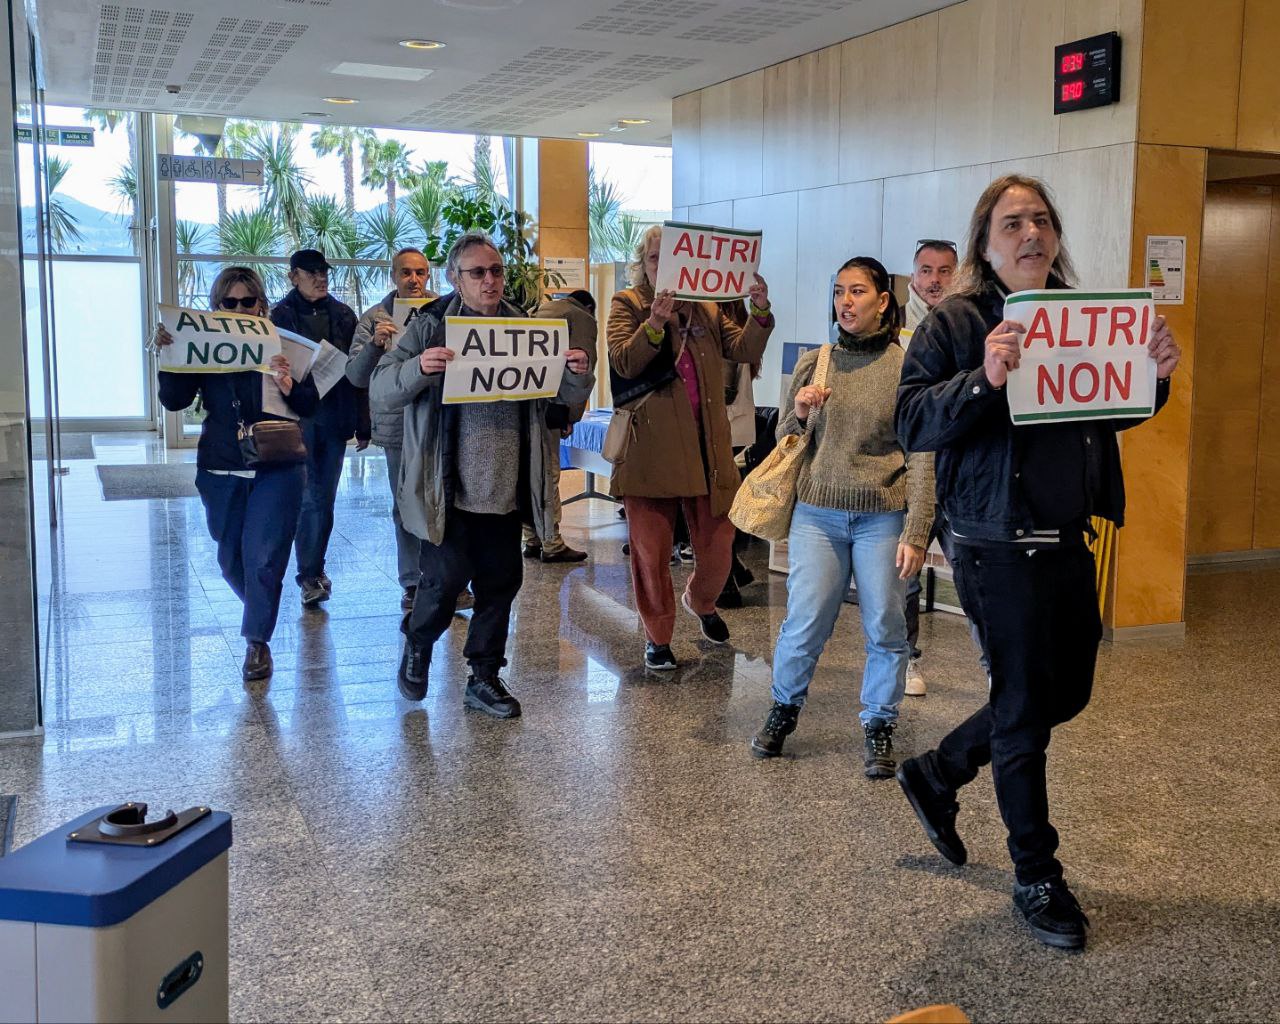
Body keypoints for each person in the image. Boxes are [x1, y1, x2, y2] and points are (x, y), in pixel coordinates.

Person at [894, 175, 1182, 951]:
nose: (1032, 234)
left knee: (1067, 692)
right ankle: (1036, 876)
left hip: (1070, 535)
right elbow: (914, 420)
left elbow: (1109, 411)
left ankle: (940, 769)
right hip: (994, 541)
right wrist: (983, 378)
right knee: (1023, 712)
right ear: (986, 242)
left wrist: (1154, 376)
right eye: (1013, 222)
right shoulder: (957, 320)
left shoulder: (1080, 317)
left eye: (1043, 221)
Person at [369, 232, 594, 718]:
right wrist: (419, 369)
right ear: (455, 278)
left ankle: (484, 676)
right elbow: (381, 389)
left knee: (501, 583)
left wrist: (577, 372)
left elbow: (563, 399)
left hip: (507, 486)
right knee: (443, 584)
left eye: (496, 271)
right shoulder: (430, 327)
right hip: (447, 487)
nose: (490, 280)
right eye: (478, 273)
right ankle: (418, 639)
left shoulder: (528, 329)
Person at [750, 257, 933, 778]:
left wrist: (917, 530)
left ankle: (879, 722)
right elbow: (786, 435)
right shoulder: (817, 362)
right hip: (818, 515)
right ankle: (783, 709)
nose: (845, 302)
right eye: (838, 293)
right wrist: (802, 412)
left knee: (886, 624)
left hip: (883, 517)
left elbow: (922, 454)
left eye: (857, 292)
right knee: (805, 622)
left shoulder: (906, 369)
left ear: (882, 302)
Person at [606, 225, 773, 671]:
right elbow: (623, 360)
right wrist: (656, 323)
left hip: (708, 449)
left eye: (673, 257)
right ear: (643, 265)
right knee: (650, 553)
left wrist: (759, 311)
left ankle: (701, 601)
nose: (665, 266)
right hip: (651, 450)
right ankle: (658, 638)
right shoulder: (628, 304)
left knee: (720, 548)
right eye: (656, 258)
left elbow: (741, 349)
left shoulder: (707, 309)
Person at [154, 267, 318, 681]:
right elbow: (175, 402)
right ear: (216, 308)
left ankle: (256, 643)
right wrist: (169, 358)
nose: (241, 309)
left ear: (261, 303)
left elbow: (310, 402)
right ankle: (261, 611)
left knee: (264, 557)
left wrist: (286, 383)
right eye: (231, 303)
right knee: (230, 560)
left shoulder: (283, 343)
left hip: (278, 465)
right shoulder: (203, 346)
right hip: (220, 465)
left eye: (249, 301)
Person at [270, 248, 368, 609]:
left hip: (333, 418)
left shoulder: (343, 315)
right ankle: (309, 574)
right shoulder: (278, 316)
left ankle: (314, 568)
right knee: (310, 498)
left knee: (323, 499)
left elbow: (358, 374)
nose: (320, 278)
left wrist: (363, 423)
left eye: (324, 272)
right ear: (293, 276)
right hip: (298, 418)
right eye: (311, 273)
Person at [346, 247, 439, 611]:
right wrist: (374, 347)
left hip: (438, 418)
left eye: (420, 272)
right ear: (393, 276)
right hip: (397, 423)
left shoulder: (444, 310)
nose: (414, 280)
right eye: (406, 273)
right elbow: (355, 376)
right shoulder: (374, 318)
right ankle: (413, 581)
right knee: (406, 504)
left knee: (442, 501)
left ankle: (443, 576)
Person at [899, 239, 958, 697]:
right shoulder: (894, 332)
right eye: (926, 271)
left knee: (978, 577)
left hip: (960, 475)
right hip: (909, 475)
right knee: (905, 580)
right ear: (913, 277)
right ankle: (906, 661)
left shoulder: (971, 327)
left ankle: (995, 664)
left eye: (944, 270)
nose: (934, 280)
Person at [521, 288, 598, 564]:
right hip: (552, 407)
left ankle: (531, 538)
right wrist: (571, 416)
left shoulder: (537, 310)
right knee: (548, 473)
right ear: (590, 307)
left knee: (529, 473)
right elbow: (582, 370)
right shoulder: (582, 318)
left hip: (525, 404)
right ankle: (552, 543)